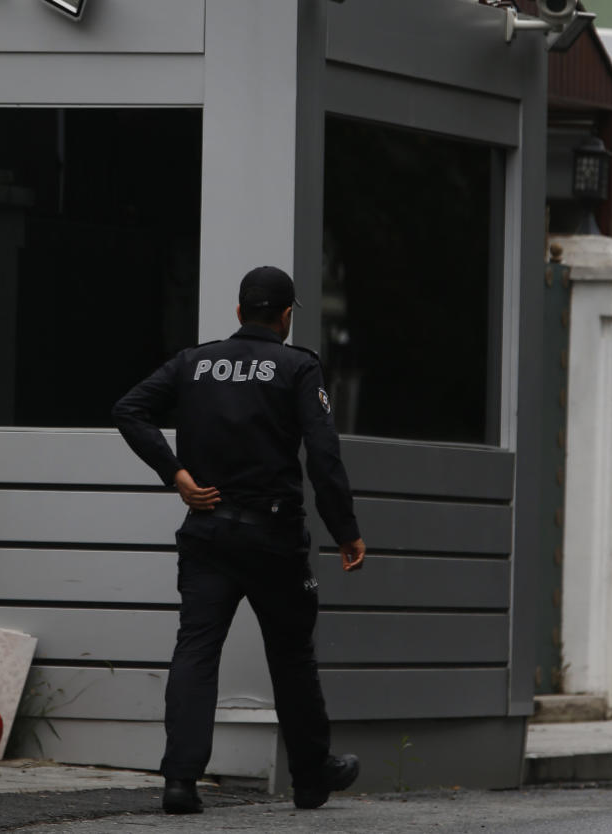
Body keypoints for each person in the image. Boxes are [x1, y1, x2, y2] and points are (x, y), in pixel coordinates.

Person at [111, 265, 366, 815]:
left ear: (237, 312)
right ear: (286, 316)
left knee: (197, 650)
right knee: (292, 655)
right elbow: (323, 456)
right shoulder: (298, 367)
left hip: (206, 531)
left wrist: (177, 476)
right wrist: (345, 530)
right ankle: (310, 776)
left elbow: (129, 410)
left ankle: (180, 782)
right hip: (273, 538)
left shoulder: (193, 362)